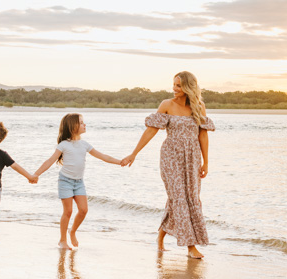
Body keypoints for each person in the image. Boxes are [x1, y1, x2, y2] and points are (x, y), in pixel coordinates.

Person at [122, 71, 214, 259]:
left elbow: (203, 135)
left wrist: (206, 162)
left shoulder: (199, 106)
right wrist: (134, 153)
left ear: (189, 87)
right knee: (179, 198)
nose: (174, 89)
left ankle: (161, 236)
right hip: (170, 158)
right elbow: (151, 131)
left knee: (189, 199)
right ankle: (191, 247)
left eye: (178, 85)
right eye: (174, 84)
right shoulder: (166, 105)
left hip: (192, 158)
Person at [32, 113, 126, 250]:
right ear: (72, 126)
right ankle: (62, 240)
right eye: (81, 122)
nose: (84, 124)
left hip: (79, 182)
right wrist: (36, 174)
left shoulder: (84, 144)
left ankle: (73, 231)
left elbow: (103, 156)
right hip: (65, 181)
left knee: (83, 210)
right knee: (68, 211)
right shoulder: (63, 145)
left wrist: (120, 162)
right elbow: (50, 161)